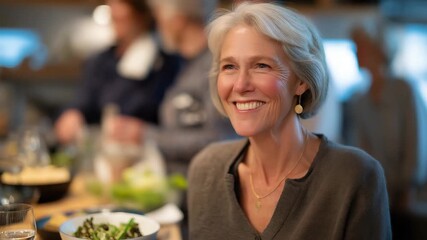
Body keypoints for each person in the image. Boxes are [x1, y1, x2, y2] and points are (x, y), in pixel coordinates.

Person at [188, 3, 391, 239]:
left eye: (261, 66)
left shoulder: (355, 176)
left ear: (301, 81)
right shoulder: (205, 169)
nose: (240, 85)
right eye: (230, 66)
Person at [106, 0, 237, 175]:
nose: (157, 25)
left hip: (203, 188)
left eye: (159, 17)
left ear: (177, 20)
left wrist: (145, 135)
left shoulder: (215, 66)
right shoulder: (182, 64)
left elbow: (221, 140)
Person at [54, 0, 181, 145]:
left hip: (144, 152)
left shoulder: (164, 65)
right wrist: (73, 113)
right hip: (100, 149)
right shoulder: (99, 61)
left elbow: (164, 118)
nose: (115, 12)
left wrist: (140, 131)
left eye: (122, 8)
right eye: (112, 7)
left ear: (142, 15)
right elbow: (83, 99)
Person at [345, 26, 427, 239]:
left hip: (410, 196)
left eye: (360, 47)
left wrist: (409, 187)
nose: (355, 53)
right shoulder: (359, 99)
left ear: (377, 49)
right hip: (378, 195)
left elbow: (416, 141)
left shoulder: (404, 89)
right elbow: (360, 149)